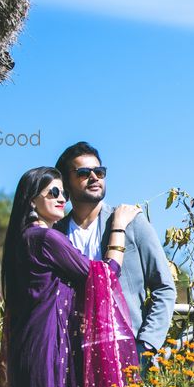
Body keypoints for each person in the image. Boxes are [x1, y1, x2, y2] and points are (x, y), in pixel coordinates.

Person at [0, 166, 141, 387]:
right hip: (48, 349)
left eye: (63, 192)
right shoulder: (45, 238)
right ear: (32, 201)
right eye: (53, 193)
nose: (63, 199)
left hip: (30, 349)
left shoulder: (21, 240)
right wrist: (117, 227)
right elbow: (101, 273)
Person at [53, 142, 177, 360]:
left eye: (99, 171)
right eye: (83, 173)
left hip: (126, 350)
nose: (94, 177)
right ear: (66, 184)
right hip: (72, 354)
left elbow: (164, 287)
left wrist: (146, 345)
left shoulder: (131, 222)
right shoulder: (56, 234)